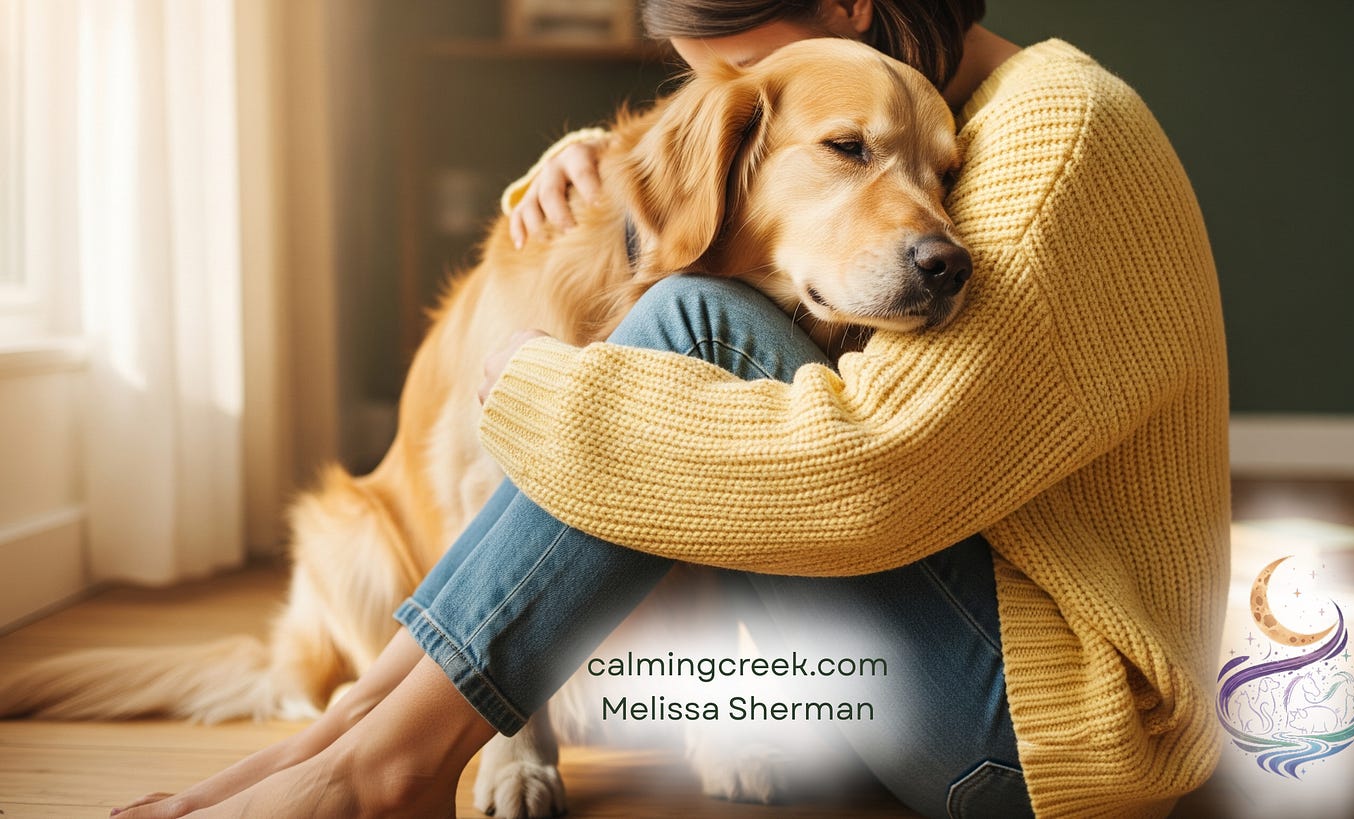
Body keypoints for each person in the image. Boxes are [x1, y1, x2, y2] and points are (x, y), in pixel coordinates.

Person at [114, 0, 1229, 816]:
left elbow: (867, 476)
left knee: (690, 322)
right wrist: (608, 173)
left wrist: (545, 384)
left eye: (734, 73)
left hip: (1053, 739)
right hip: (971, 688)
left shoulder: (1051, 131)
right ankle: (359, 736)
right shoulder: (972, 120)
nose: (706, 108)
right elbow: (728, 170)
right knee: (689, 314)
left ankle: (380, 766)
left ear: (840, 16)